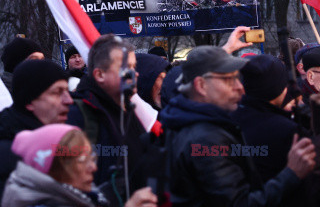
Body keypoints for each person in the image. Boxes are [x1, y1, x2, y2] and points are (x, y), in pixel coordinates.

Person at [161, 46, 316, 207]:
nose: (240, 88)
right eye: (229, 80)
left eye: (238, 78)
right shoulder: (206, 139)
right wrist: (291, 174)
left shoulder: (185, 120)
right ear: (201, 86)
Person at [67, 34, 147, 199]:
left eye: (134, 67)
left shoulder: (130, 110)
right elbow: (69, 193)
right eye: (126, 67)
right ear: (99, 75)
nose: (135, 74)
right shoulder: (77, 117)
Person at [2, 124, 158, 207]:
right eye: (82, 159)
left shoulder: (82, 198)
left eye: (92, 157)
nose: (94, 168)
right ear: (53, 167)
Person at [0, 60, 73, 198]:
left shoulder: (58, 140)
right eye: (57, 92)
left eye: (67, 91)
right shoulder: (9, 158)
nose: (69, 100)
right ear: (30, 101)